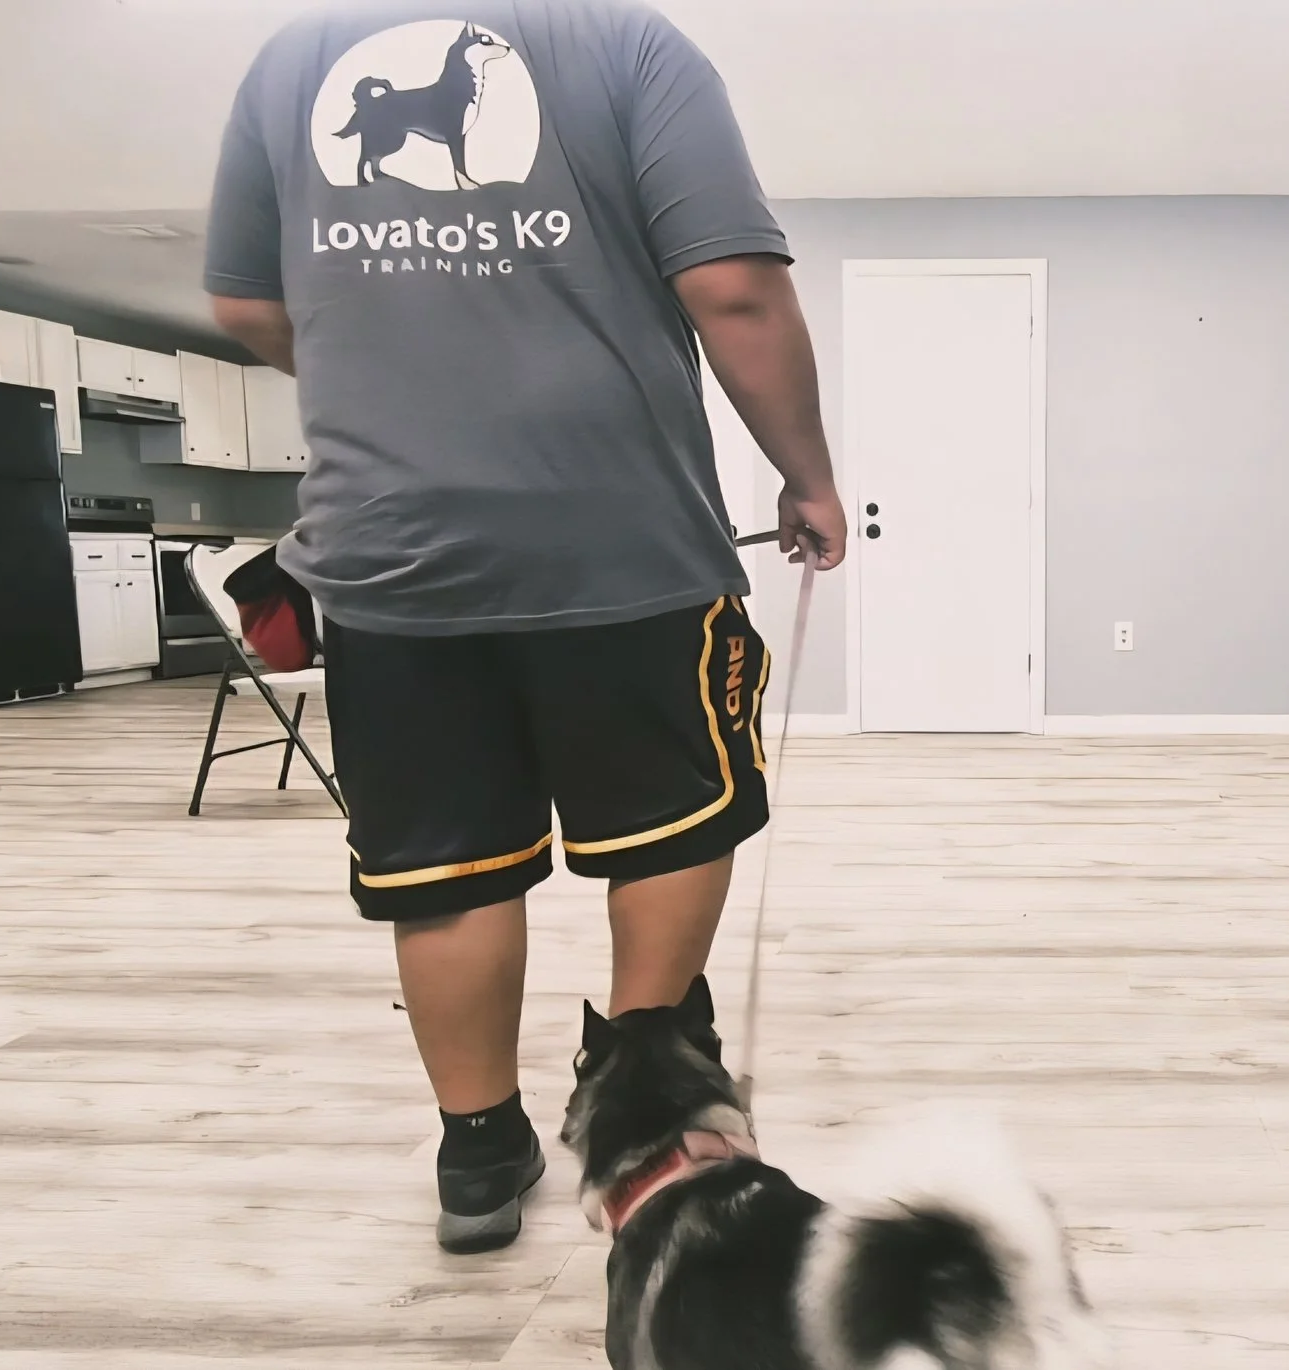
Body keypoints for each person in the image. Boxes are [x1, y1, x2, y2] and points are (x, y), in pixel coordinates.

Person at [203, 0, 845, 1253]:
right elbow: (733, 291)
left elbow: (243, 307)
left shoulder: (291, 60)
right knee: (665, 826)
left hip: (390, 556)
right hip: (622, 542)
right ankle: (650, 1120)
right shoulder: (627, 46)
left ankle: (478, 1152)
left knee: (446, 864)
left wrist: (386, 358)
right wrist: (809, 477)